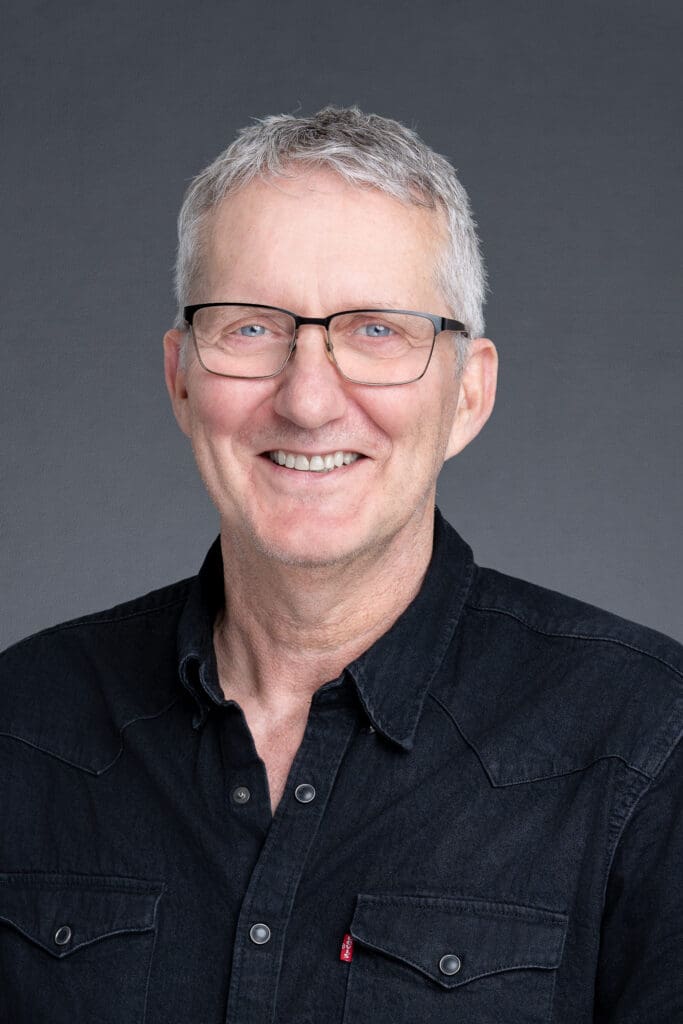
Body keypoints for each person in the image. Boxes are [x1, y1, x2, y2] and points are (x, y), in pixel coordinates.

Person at [0, 107, 680, 1024]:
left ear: (468, 392)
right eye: (249, 329)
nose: (309, 399)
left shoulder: (645, 746)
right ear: (180, 378)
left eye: (375, 331)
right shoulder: (21, 729)